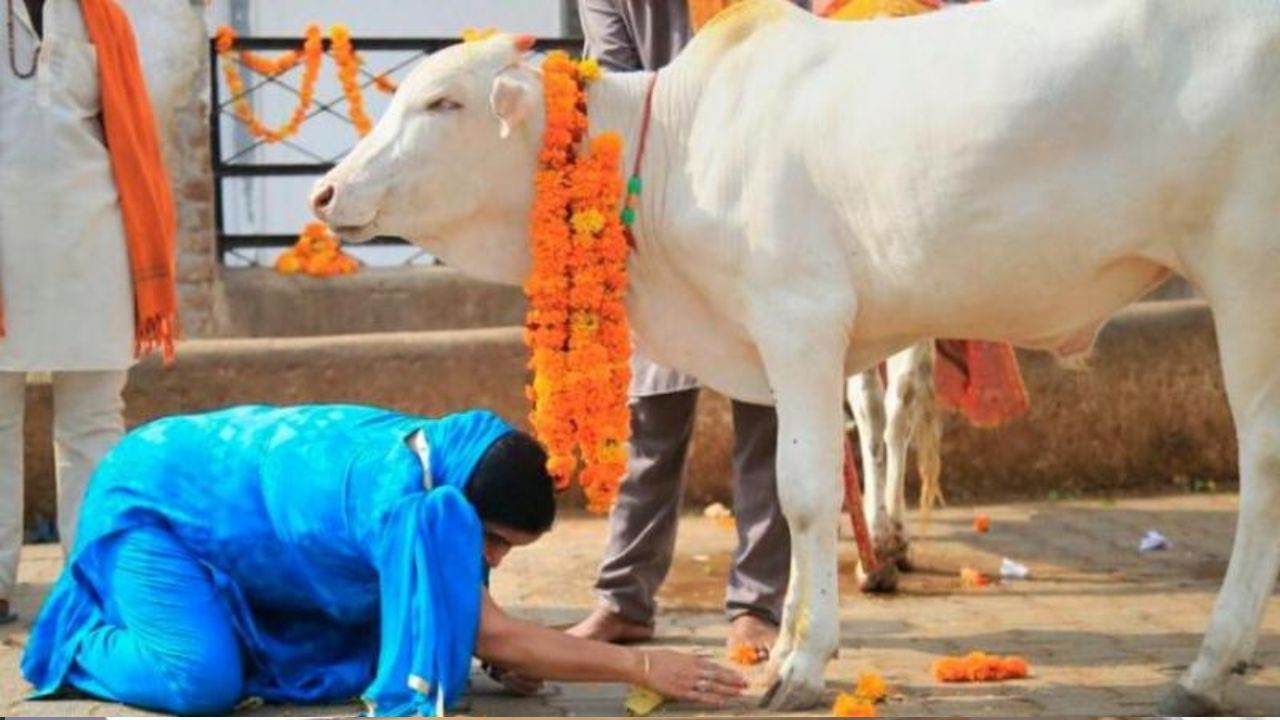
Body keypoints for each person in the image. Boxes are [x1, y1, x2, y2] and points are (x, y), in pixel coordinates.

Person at [20, 405, 746, 716]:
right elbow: (493, 633)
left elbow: (471, 615)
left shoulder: (446, 459)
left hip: (227, 509)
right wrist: (645, 669)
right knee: (202, 682)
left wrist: (495, 634)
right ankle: (83, 638)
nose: (490, 557)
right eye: (491, 540)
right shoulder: (406, 504)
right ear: (460, 510)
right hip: (153, 503)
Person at [568, 0, 806, 661]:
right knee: (651, 414)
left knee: (766, 413)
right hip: (657, 197)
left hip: (760, 197)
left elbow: (795, 55)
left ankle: (758, 605)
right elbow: (612, 77)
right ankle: (623, 600)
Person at [0, 0, 178, 626]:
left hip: (95, 236)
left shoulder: (103, 17)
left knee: (94, 418)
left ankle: (95, 577)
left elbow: (127, 135)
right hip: (4, 248)